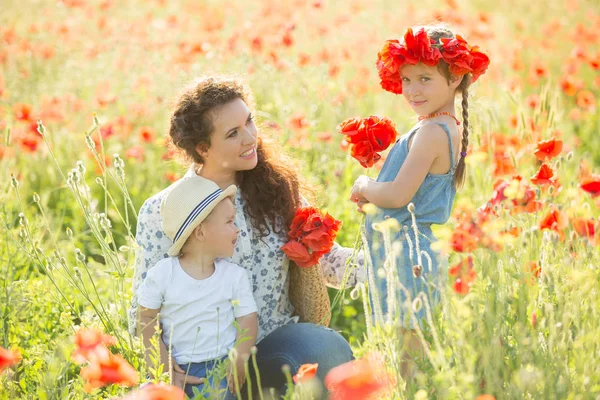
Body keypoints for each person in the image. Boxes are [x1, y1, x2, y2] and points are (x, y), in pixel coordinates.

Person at [130, 75, 365, 398]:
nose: (251, 137)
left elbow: (329, 261)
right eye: (233, 133)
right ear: (203, 148)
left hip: (274, 346)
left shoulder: (277, 191)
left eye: (249, 122)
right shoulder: (163, 211)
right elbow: (142, 308)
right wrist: (165, 367)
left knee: (325, 349)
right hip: (202, 363)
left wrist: (391, 264)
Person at [350, 24, 489, 378]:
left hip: (409, 253)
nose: (412, 90)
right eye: (407, 80)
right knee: (406, 342)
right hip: (406, 249)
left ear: (456, 77)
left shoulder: (430, 132)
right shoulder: (437, 126)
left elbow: (397, 194)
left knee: (408, 354)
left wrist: (365, 184)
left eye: (425, 79)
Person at [137, 176, 257, 399]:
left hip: (221, 369)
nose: (237, 229)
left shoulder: (233, 276)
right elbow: (145, 319)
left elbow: (248, 318)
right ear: (200, 232)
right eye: (229, 222)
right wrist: (163, 367)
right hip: (177, 366)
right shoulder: (163, 274)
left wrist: (240, 356)